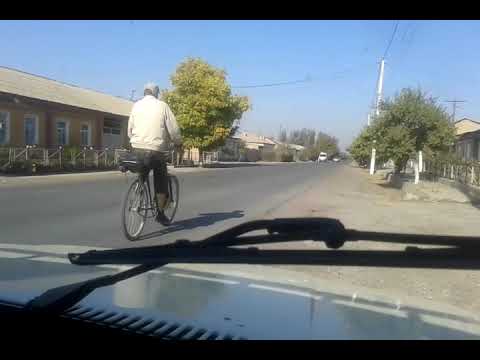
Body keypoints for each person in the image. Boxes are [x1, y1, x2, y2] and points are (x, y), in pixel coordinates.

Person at [127, 82, 182, 225]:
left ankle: (139, 191)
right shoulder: (162, 106)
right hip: (155, 151)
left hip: (136, 149)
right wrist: (178, 143)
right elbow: (174, 130)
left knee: (142, 173)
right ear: (156, 93)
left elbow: (129, 130)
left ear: (144, 92)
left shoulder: (136, 105)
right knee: (161, 181)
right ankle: (160, 213)